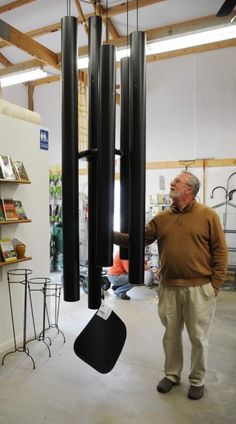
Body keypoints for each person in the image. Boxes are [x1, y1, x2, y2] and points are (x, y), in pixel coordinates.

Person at [114, 171, 228, 400]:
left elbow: (220, 251)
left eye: (177, 181)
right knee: (171, 334)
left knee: (198, 337)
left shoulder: (208, 215)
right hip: (168, 287)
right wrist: (108, 234)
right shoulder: (162, 218)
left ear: (189, 189)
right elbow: (138, 240)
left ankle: (197, 380)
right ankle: (172, 374)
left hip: (200, 287)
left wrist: (215, 284)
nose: (173, 183)